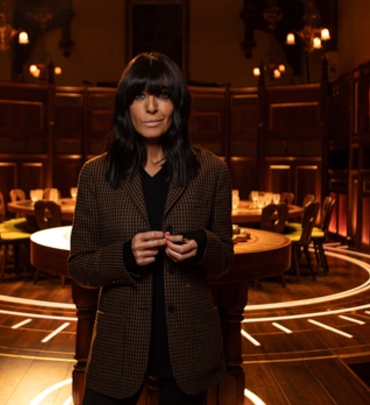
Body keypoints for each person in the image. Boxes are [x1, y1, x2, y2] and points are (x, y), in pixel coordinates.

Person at [68, 52, 234, 404]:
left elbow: (224, 258)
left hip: (190, 344)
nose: (152, 107)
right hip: (118, 343)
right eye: (140, 96)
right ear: (126, 105)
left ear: (177, 105)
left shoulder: (212, 171)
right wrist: (125, 257)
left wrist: (202, 246)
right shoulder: (95, 174)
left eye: (163, 95)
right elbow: (80, 265)